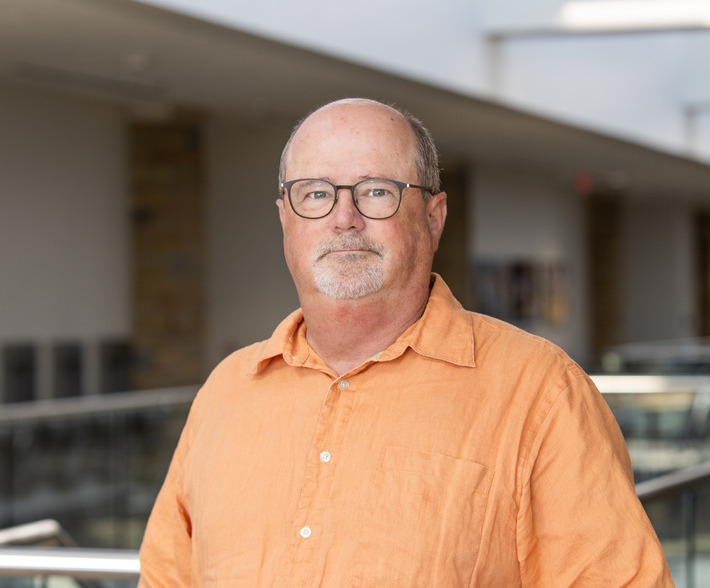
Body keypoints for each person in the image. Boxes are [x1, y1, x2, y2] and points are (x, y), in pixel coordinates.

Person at [138, 98, 674, 586]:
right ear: (286, 220)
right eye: (316, 194)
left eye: (376, 192)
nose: (343, 219)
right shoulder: (226, 393)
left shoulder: (540, 392)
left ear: (433, 220)